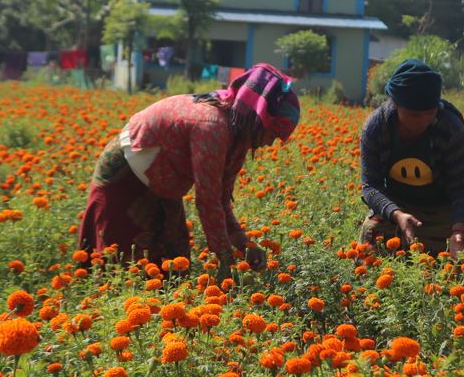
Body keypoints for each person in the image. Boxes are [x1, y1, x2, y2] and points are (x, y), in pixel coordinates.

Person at [79, 63, 300, 271]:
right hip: (126, 176)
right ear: (257, 119)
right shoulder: (212, 127)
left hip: (164, 182)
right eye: (273, 133)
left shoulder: (238, 134)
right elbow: (208, 201)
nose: (271, 142)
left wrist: (245, 246)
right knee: (115, 263)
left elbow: (221, 200)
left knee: (173, 265)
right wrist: (226, 261)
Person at [359, 59, 464, 259]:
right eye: (414, 114)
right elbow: (370, 185)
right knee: (370, 240)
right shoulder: (376, 128)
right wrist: (397, 214)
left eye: (429, 113)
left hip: (441, 207)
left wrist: (458, 232)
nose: (423, 121)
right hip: (395, 203)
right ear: (395, 105)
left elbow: (462, 186)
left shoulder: (450, 128)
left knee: (451, 269)